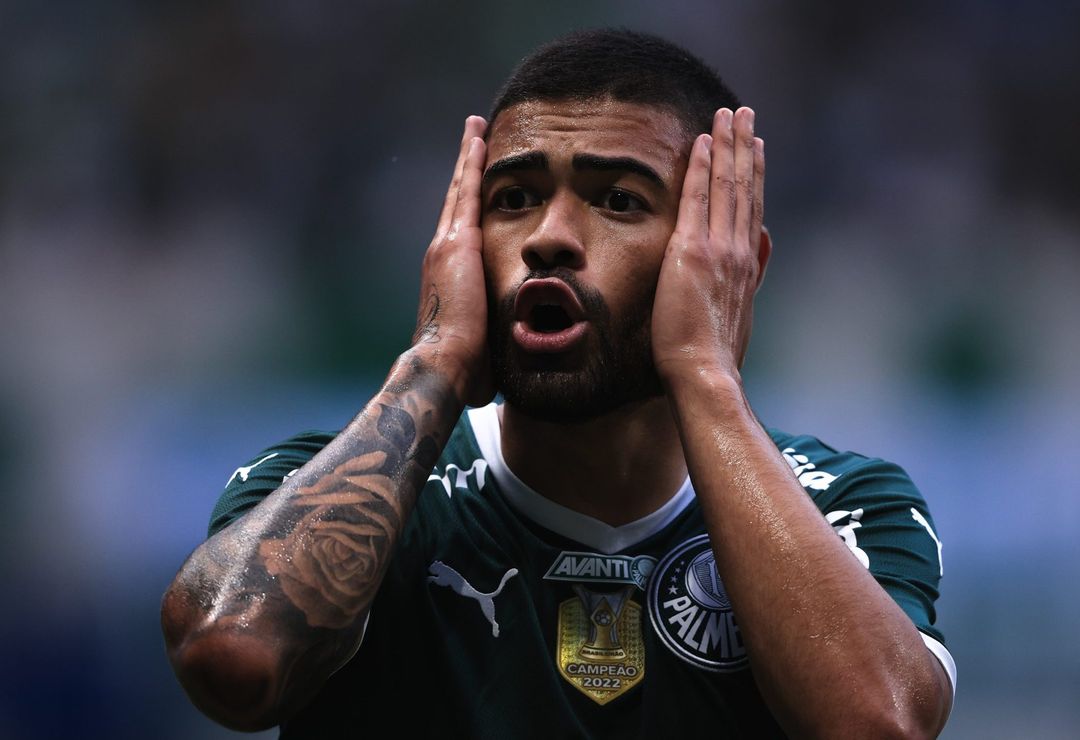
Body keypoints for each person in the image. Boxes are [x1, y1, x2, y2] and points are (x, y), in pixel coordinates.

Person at [161, 28, 955, 739]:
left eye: (617, 200)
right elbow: (231, 662)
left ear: (728, 261)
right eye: (514, 199)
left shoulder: (846, 501)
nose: (547, 238)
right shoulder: (332, 486)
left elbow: (874, 728)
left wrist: (706, 374)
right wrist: (435, 360)